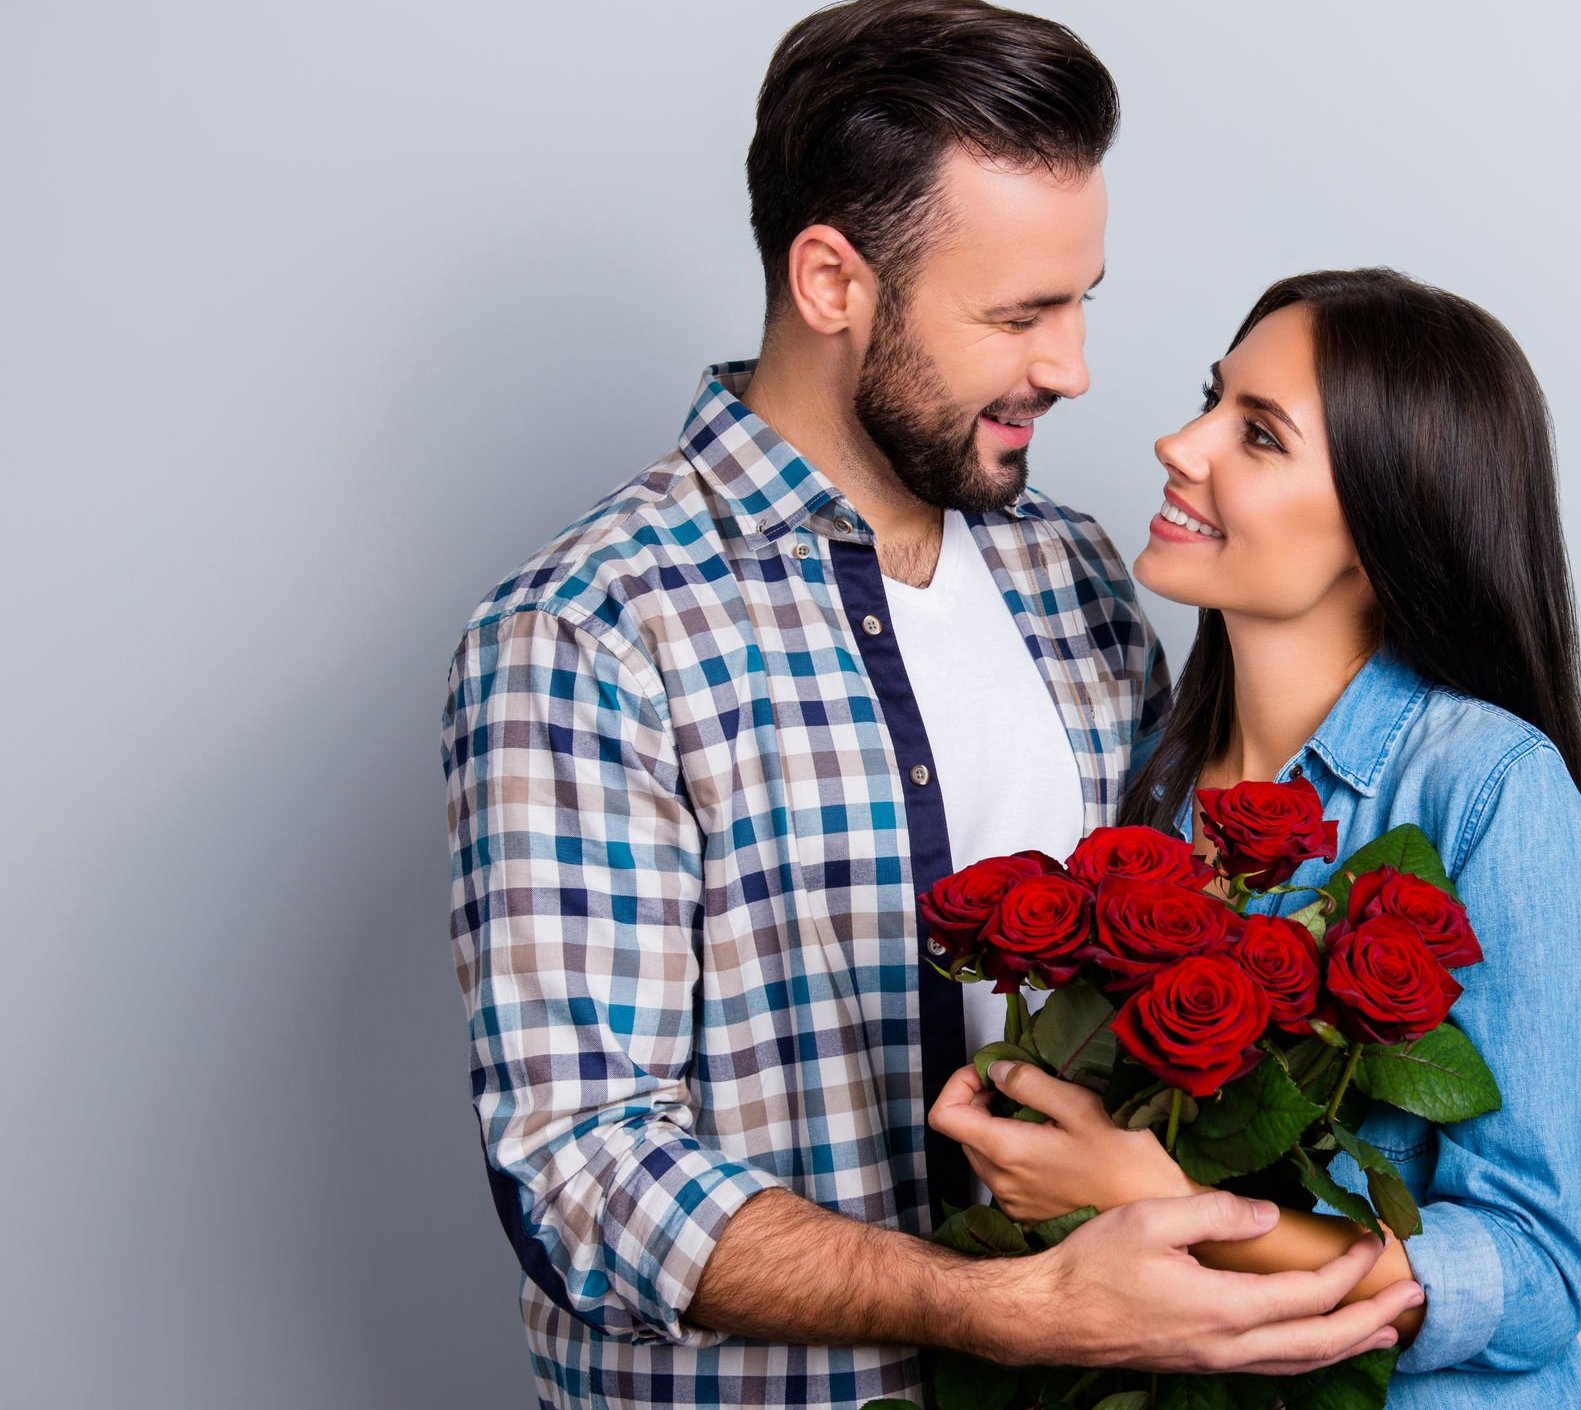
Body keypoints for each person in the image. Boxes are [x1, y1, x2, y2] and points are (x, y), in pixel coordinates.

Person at [440, 6, 1417, 1406]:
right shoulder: (593, 629)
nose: (1072, 366)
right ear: (832, 280)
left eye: (1082, 300)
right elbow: (581, 1170)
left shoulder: (1076, 570)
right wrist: (1005, 1309)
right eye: (1018, 314)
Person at [931, 268, 1581, 1406]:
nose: (1176, 441)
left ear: (1383, 519)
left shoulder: (1488, 788)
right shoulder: (1148, 792)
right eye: (1211, 398)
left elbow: (1534, 1273)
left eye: (1255, 435)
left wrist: (1147, 1200)